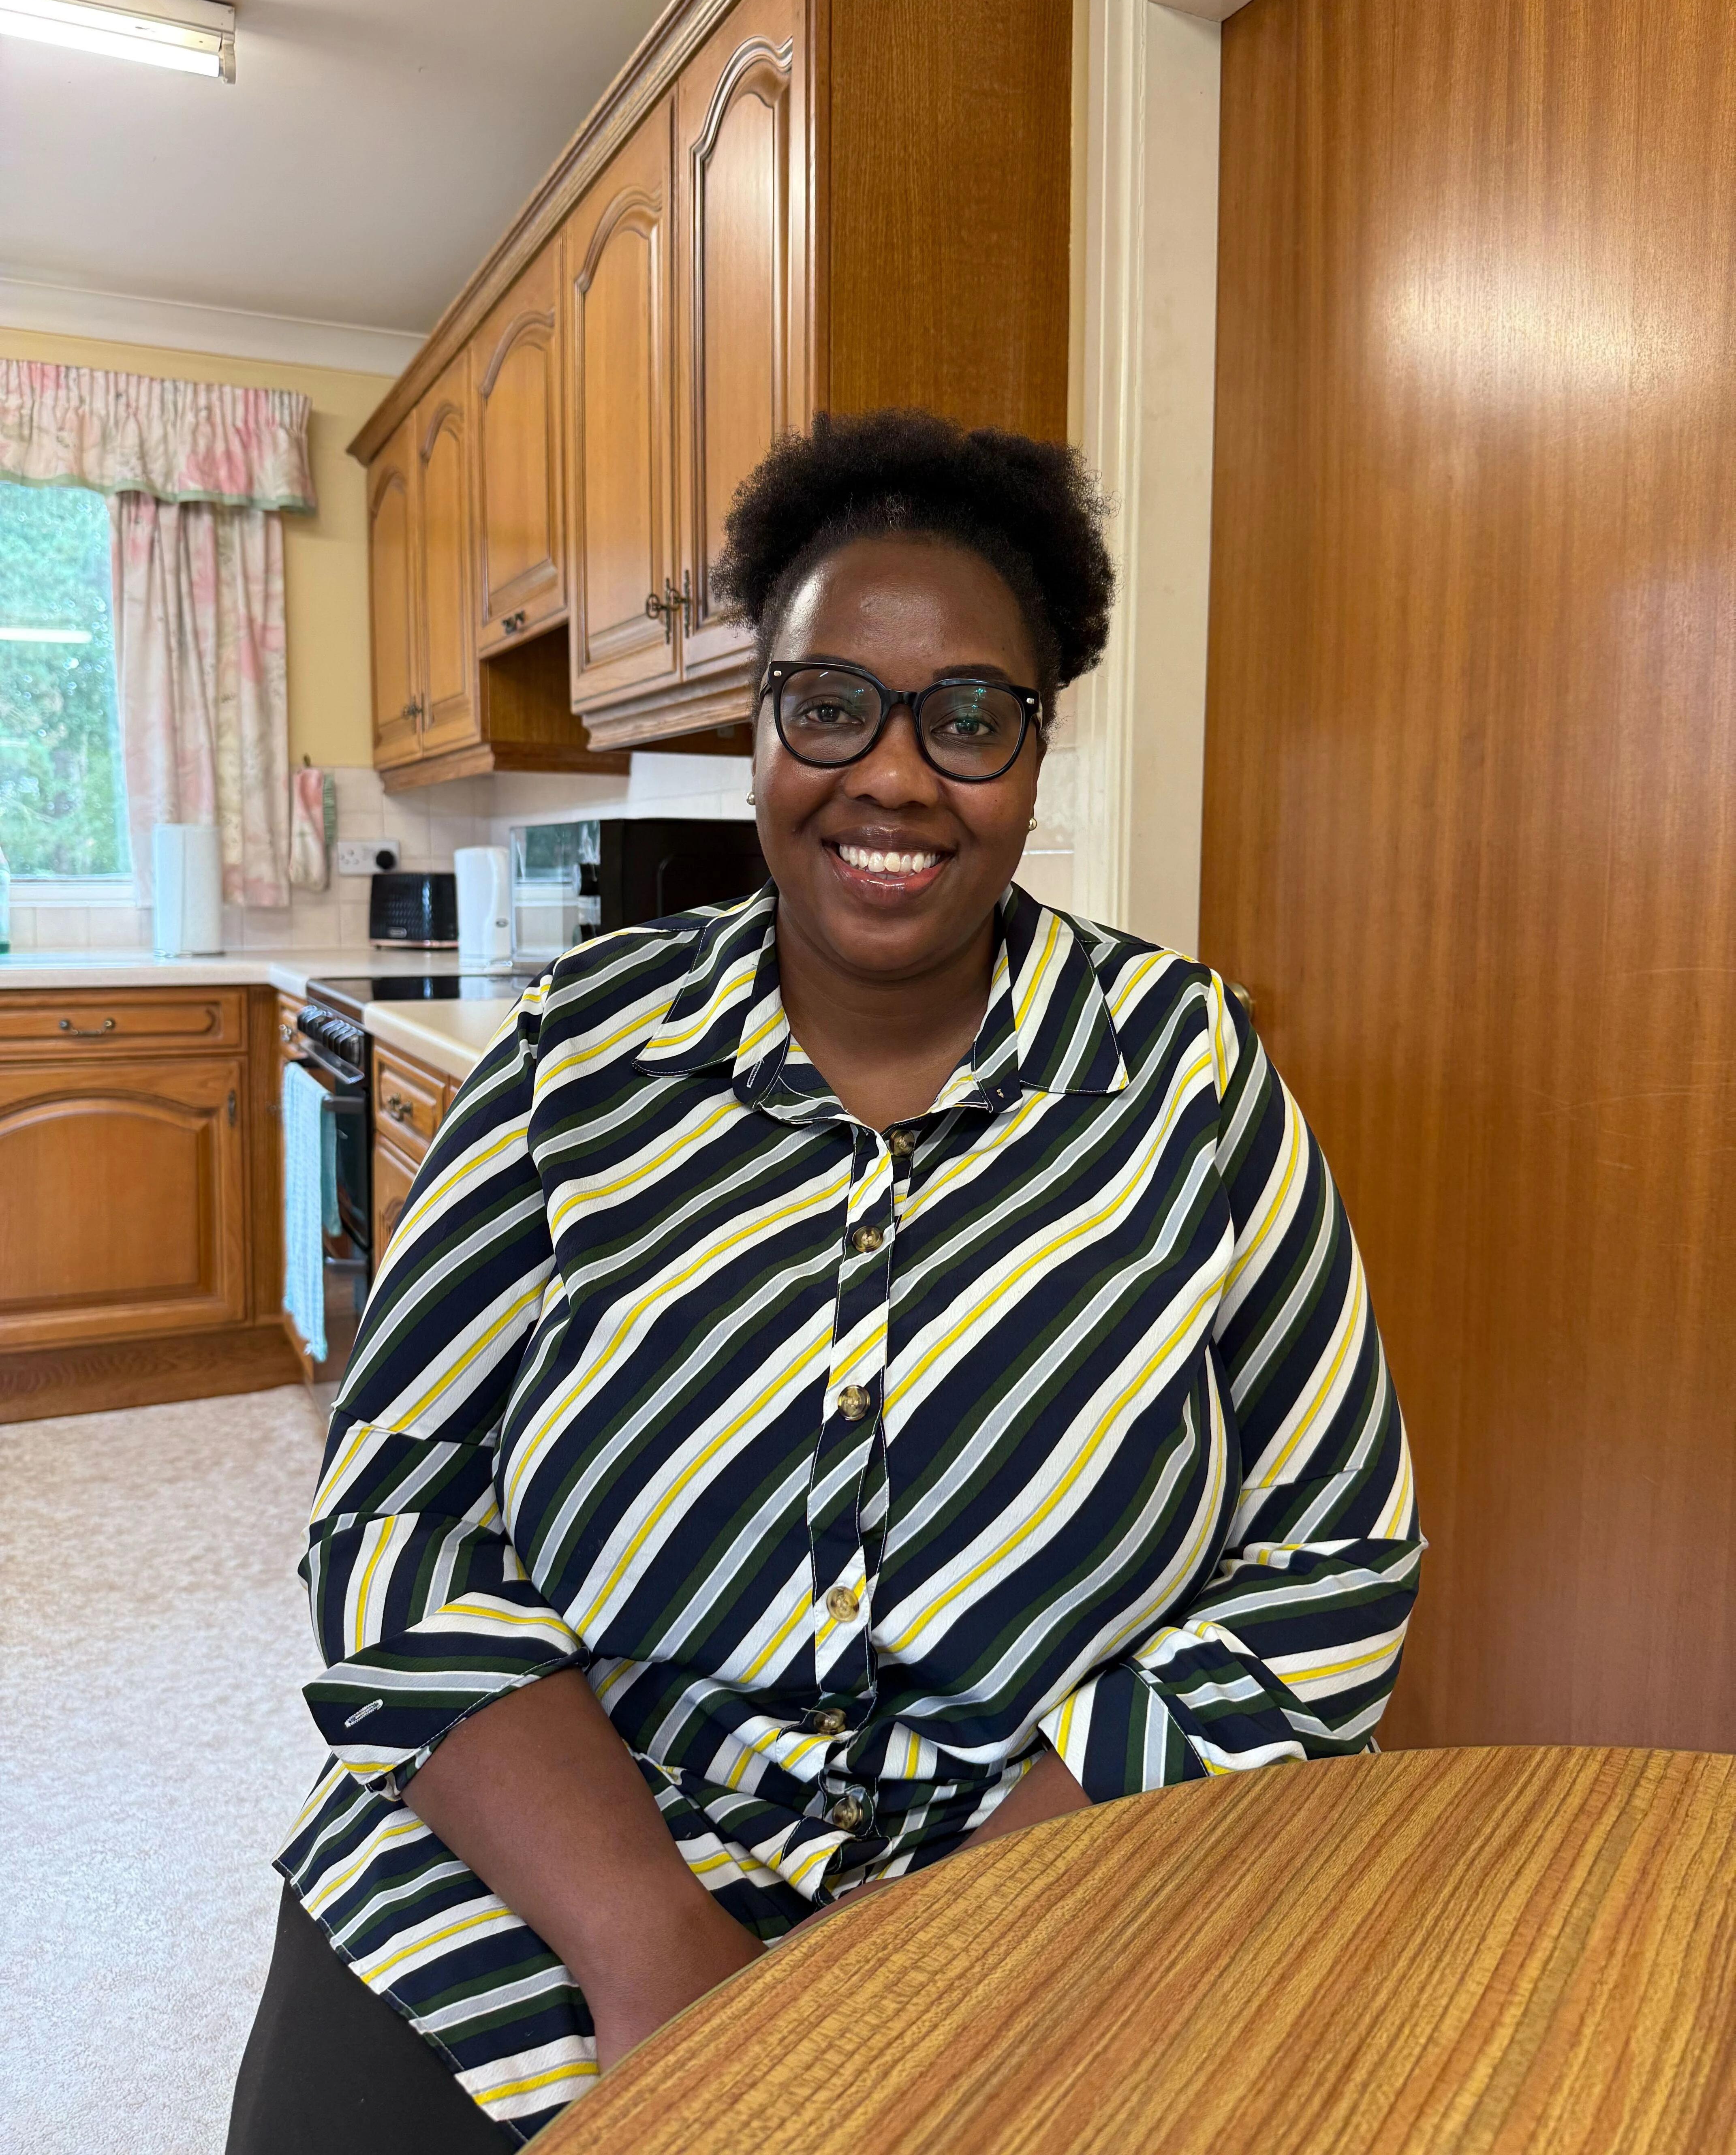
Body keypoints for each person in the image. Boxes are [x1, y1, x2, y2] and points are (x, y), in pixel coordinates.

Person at [228, 409, 1421, 2152]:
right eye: (830, 702)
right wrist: (651, 1946)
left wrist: (937, 1948)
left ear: (1034, 743)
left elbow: (1333, 1562)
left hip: (1058, 1863)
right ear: (763, 726)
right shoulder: (575, 1057)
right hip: (566, 1851)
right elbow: (396, 1524)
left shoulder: (1196, 1073)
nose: (893, 775)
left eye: (968, 717)